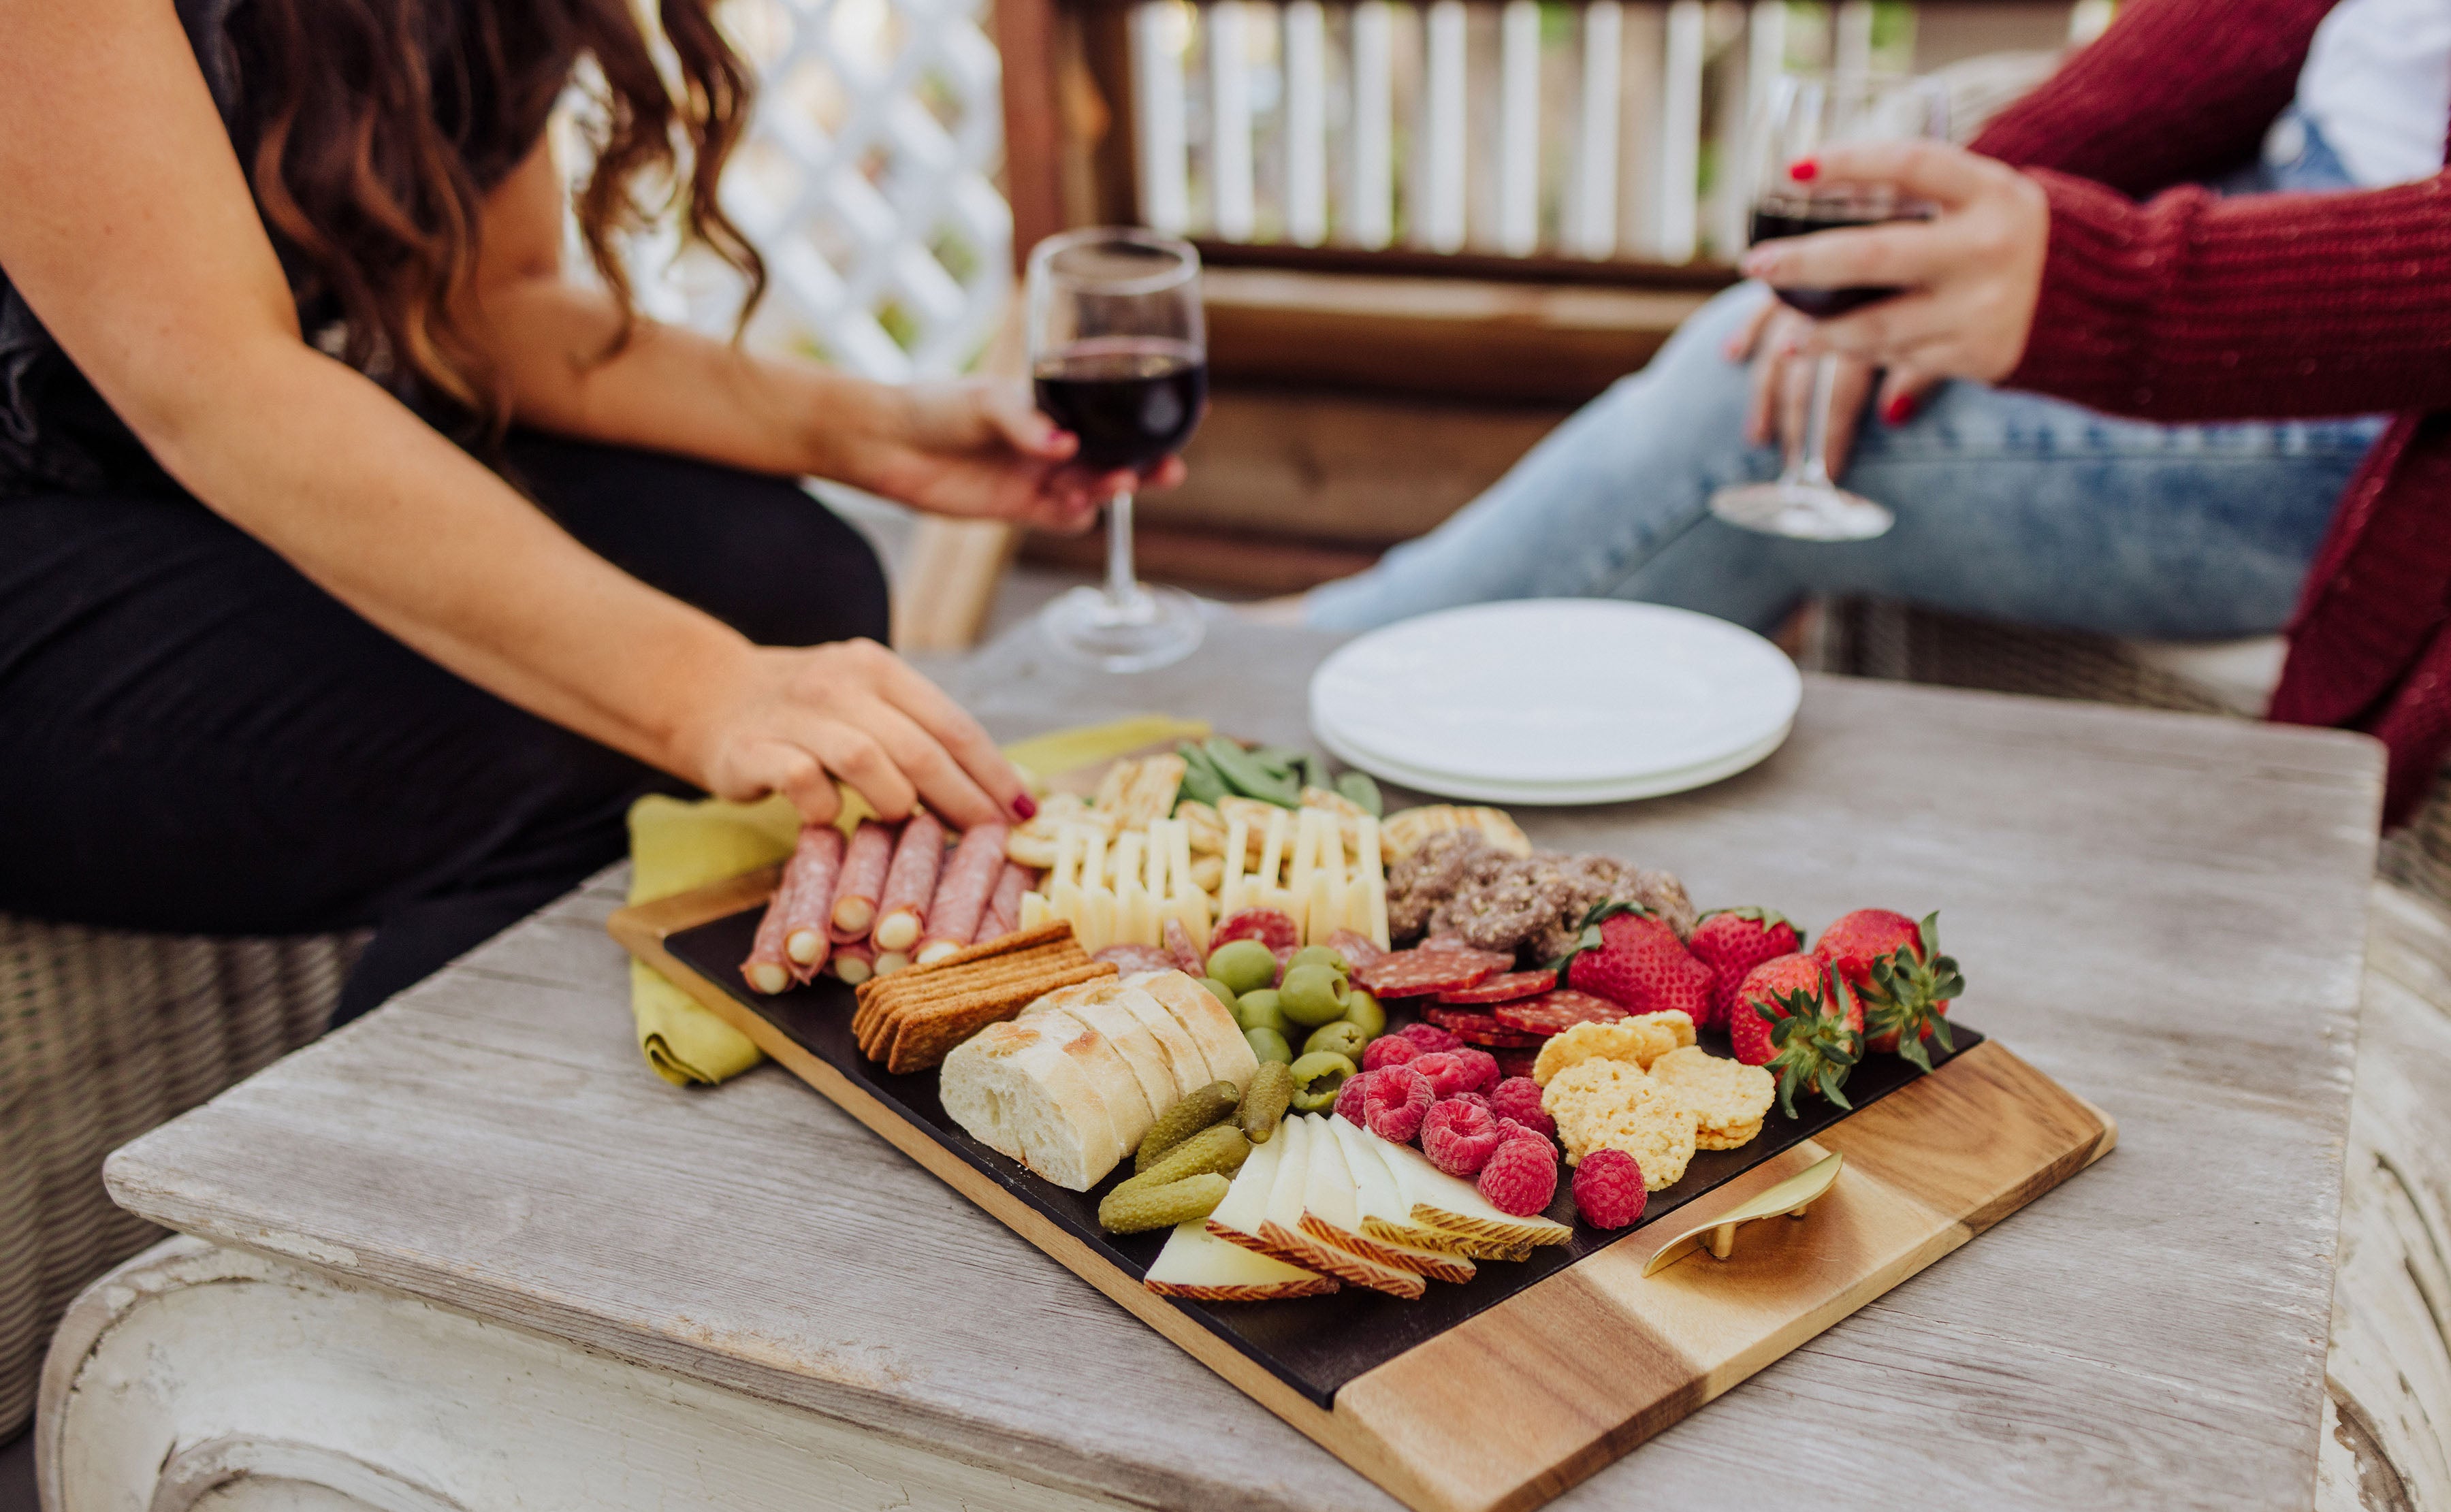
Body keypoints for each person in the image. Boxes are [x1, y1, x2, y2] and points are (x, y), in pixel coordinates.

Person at [0, 0, 1176, 1022]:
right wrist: (699, 690)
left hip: (159, 492)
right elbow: (217, 382)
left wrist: (880, 432)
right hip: (39, 534)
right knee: (547, 735)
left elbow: (497, 307)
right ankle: (367, 1204)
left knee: (794, 578)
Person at [1300, 0, 2451, 822]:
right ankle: (1321, 674)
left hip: (2376, 374)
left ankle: (1284, 706)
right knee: (1753, 362)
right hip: (2272, 196)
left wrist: (2119, 293)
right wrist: (1944, 230)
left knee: (1735, 416)